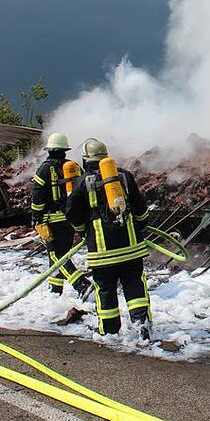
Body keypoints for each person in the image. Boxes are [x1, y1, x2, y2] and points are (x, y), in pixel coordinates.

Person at [65, 139, 153, 339]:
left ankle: (109, 331)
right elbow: (141, 208)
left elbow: (71, 213)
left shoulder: (81, 182)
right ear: (106, 157)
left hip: (101, 251)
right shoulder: (124, 176)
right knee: (134, 285)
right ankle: (142, 326)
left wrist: (83, 232)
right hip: (131, 247)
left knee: (105, 289)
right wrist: (139, 227)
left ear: (86, 160)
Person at [30, 132, 90, 297]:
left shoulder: (44, 169)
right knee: (59, 253)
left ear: (49, 150)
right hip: (71, 220)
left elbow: (37, 197)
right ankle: (55, 290)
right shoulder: (75, 167)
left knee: (58, 256)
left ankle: (81, 284)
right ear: (65, 150)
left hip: (52, 220)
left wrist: (36, 216)